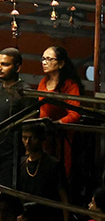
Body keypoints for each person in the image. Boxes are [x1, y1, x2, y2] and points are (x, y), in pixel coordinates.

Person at [16, 120, 67, 221]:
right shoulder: (21, 163)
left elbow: (64, 198)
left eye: (32, 138)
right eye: (24, 138)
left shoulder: (53, 164)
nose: (27, 142)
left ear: (41, 138)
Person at [37, 45, 81, 179]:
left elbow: (75, 113)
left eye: (49, 59)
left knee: (60, 173)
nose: (44, 62)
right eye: (43, 59)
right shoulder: (43, 82)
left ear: (61, 63)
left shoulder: (69, 85)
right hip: (44, 136)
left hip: (62, 137)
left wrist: (57, 123)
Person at [0, 49, 26, 188]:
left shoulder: (24, 92)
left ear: (18, 67)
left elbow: (29, 126)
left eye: (5, 64)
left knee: (6, 196)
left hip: (13, 155)